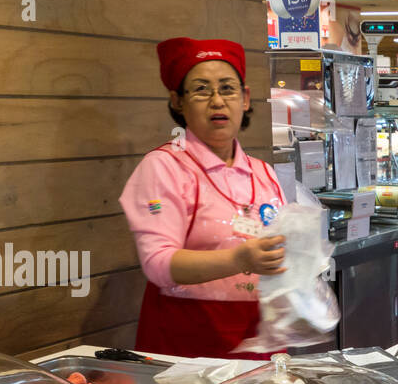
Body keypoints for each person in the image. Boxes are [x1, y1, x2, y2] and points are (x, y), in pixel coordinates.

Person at [120, 38, 289, 358]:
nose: (217, 101)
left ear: (246, 99)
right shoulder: (163, 167)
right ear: (177, 102)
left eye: (227, 88)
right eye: (201, 89)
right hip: (187, 348)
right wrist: (240, 259)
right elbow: (158, 264)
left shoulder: (263, 172)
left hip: (260, 346)